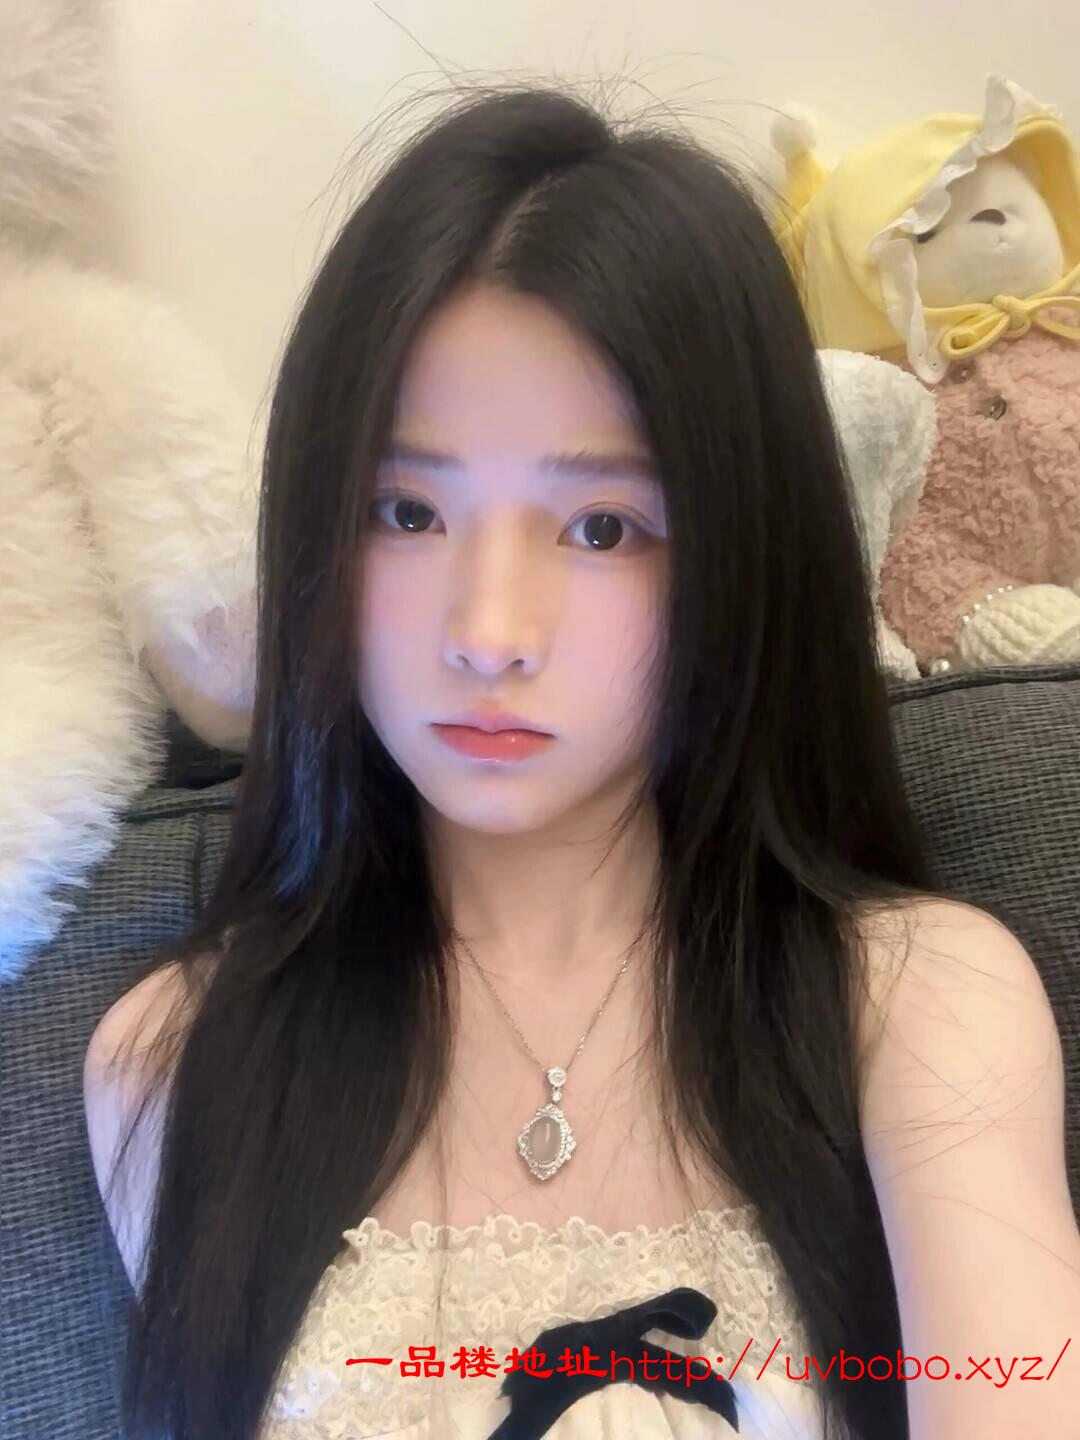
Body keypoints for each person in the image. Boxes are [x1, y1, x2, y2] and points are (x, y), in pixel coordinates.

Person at [83, 83, 1079, 1440]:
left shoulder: (914, 1007)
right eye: (405, 510)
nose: (489, 631)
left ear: (741, 553)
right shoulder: (178, 1062)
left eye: (603, 527)